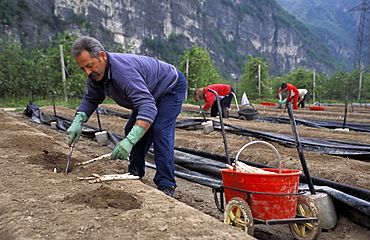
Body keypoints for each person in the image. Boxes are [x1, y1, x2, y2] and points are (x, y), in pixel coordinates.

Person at [67, 36, 187, 197]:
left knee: (160, 130)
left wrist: (129, 141)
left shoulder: (122, 72)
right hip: (148, 92)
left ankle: (166, 183)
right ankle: (134, 172)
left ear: (102, 56)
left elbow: (147, 107)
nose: (87, 72)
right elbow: (91, 98)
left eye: (89, 66)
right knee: (131, 128)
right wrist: (78, 120)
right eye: (83, 69)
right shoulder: (95, 75)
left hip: (169, 87)